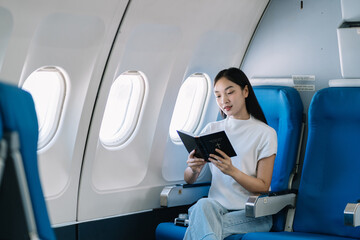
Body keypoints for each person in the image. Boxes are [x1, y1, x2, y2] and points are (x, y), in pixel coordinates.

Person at [183, 67, 277, 240]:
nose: (224, 100)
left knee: (200, 223)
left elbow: (263, 186)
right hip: (215, 210)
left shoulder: (265, 133)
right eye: (218, 96)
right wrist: (193, 169)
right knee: (202, 205)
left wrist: (231, 171)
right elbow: (188, 179)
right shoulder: (211, 130)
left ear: (245, 91)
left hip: (252, 214)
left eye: (230, 92)